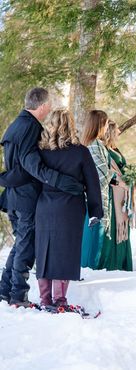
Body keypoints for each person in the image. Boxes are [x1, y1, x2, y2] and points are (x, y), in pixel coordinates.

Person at [0, 88, 84, 307]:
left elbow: (17, 165)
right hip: (26, 197)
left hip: (15, 196)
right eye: (49, 106)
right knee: (26, 248)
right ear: (43, 106)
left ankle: (4, 290)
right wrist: (60, 181)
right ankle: (18, 295)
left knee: (21, 245)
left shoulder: (17, 124)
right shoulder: (30, 127)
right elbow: (29, 165)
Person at [35, 109, 103, 307]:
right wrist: (95, 210)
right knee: (65, 251)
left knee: (44, 249)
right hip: (70, 208)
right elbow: (93, 183)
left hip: (45, 206)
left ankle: (45, 299)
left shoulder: (41, 151)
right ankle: (60, 300)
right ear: (71, 125)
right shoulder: (80, 151)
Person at [81, 110, 127, 269]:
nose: (108, 127)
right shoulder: (93, 146)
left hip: (102, 195)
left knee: (98, 237)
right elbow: (100, 175)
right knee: (94, 238)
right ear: (100, 124)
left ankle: (94, 267)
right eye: (106, 124)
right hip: (96, 197)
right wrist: (117, 178)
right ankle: (89, 269)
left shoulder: (98, 144)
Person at [98, 119, 133, 271]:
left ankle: (122, 262)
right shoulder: (105, 150)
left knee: (123, 225)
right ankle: (112, 263)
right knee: (114, 227)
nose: (119, 132)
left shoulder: (115, 148)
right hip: (113, 193)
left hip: (122, 193)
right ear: (110, 131)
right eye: (117, 129)